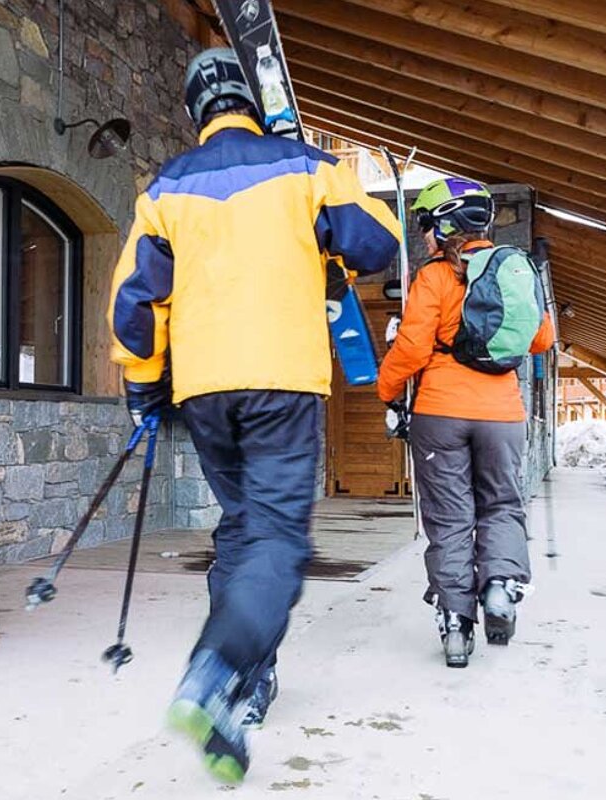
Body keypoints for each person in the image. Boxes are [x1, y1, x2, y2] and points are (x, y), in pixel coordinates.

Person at [108, 47, 400, 784]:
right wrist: (326, 238)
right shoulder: (305, 165)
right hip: (280, 383)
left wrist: (144, 386)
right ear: (251, 102)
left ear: (195, 113)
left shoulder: (166, 187)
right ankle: (216, 671)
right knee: (278, 538)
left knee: (243, 526)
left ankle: (244, 691)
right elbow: (377, 242)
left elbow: (133, 305)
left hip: (206, 391)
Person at [377, 178, 554, 668]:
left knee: (450, 519)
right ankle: (498, 586)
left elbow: (411, 348)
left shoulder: (433, 277)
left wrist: (386, 389)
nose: (425, 237)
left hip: (440, 412)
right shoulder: (515, 270)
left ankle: (456, 626)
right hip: (503, 414)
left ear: (442, 225)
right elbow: (542, 339)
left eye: (427, 227)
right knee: (500, 504)